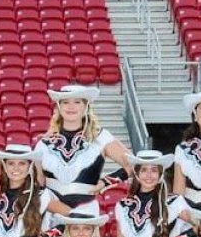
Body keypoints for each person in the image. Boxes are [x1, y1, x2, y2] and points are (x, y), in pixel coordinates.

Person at [35, 85, 136, 214]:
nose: (71, 107)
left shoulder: (101, 137)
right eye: (65, 102)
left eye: (77, 102)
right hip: (50, 213)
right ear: (59, 107)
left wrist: (105, 182)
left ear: (86, 106)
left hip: (86, 212)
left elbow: (135, 164)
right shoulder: (44, 143)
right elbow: (38, 184)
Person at [0, 144, 70, 237]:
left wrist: (45, 236)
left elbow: (74, 217)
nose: (16, 168)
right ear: (5, 166)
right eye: (11, 163)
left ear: (30, 166)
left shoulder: (40, 196)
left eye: (22, 163)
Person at [112, 150, 192, 237]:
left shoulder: (173, 202)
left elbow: (199, 226)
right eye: (144, 170)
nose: (149, 175)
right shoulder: (123, 206)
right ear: (136, 173)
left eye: (154, 170)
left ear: (161, 173)